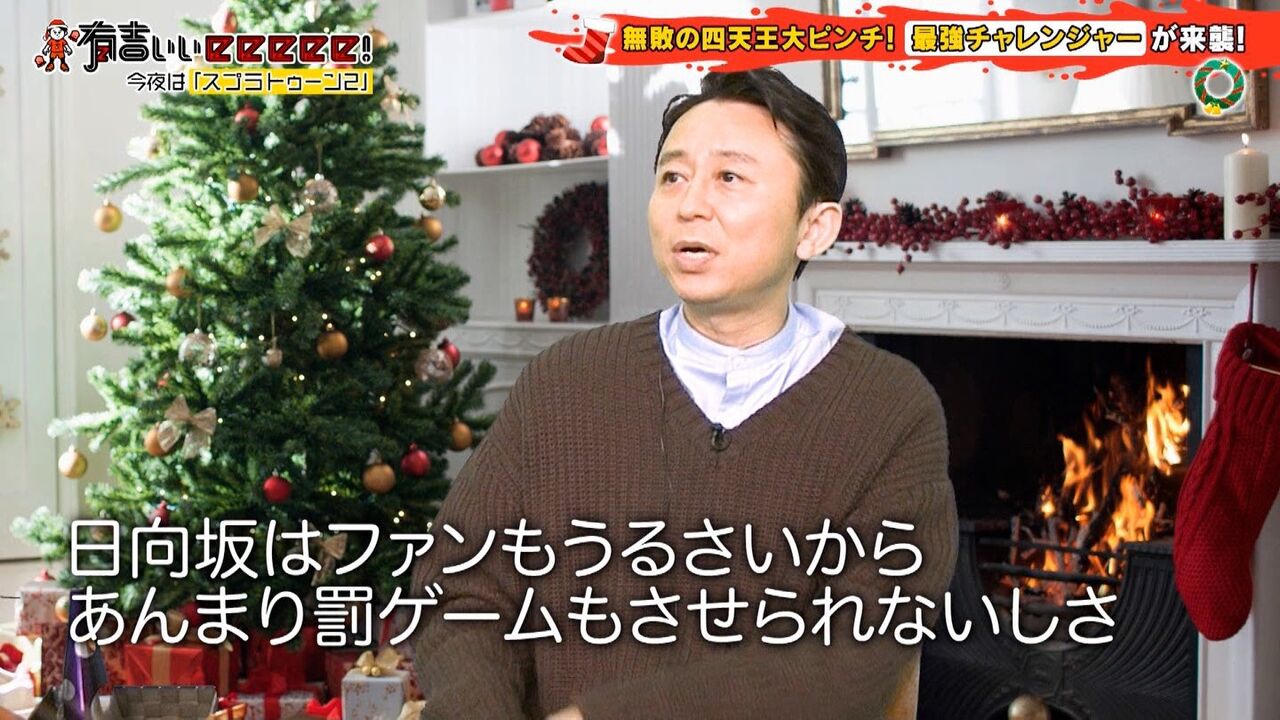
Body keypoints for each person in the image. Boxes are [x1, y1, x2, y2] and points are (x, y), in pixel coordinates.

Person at [411, 67, 958, 720]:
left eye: (729, 177)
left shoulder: (889, 409)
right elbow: (461, 588)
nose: (689, 205)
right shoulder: (567, 379)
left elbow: (856, 650)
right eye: (672, 176)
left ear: (814, 227)